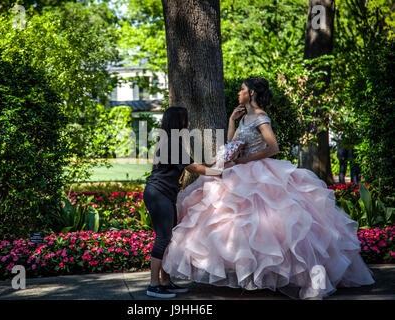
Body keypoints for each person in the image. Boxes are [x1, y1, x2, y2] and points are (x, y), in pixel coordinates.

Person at [161, 77, 375, 300]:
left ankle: (297, 276)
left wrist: (246, 161)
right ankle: (259, 274)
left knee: (271, 225)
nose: (238, 93)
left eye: (242, 89)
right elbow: (234, 144)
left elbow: (273, 147)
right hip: (239, 171)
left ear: (252, 93)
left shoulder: (262, 117)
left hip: (258, 173)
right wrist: (233, 121)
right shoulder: (245, 117)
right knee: (242, 226)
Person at [143, 106, 222, 298]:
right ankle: (153, 286)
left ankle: (165, 282)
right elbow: (194, 168)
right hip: (158, 194)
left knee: (168, 238)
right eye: (186, 119)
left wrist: (218, 163)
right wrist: (220, 172)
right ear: (179, 122)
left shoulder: (172, 141)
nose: (189, 123)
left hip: (164, 194)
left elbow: (196, 164)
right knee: (163, 238)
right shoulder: (171, 143)